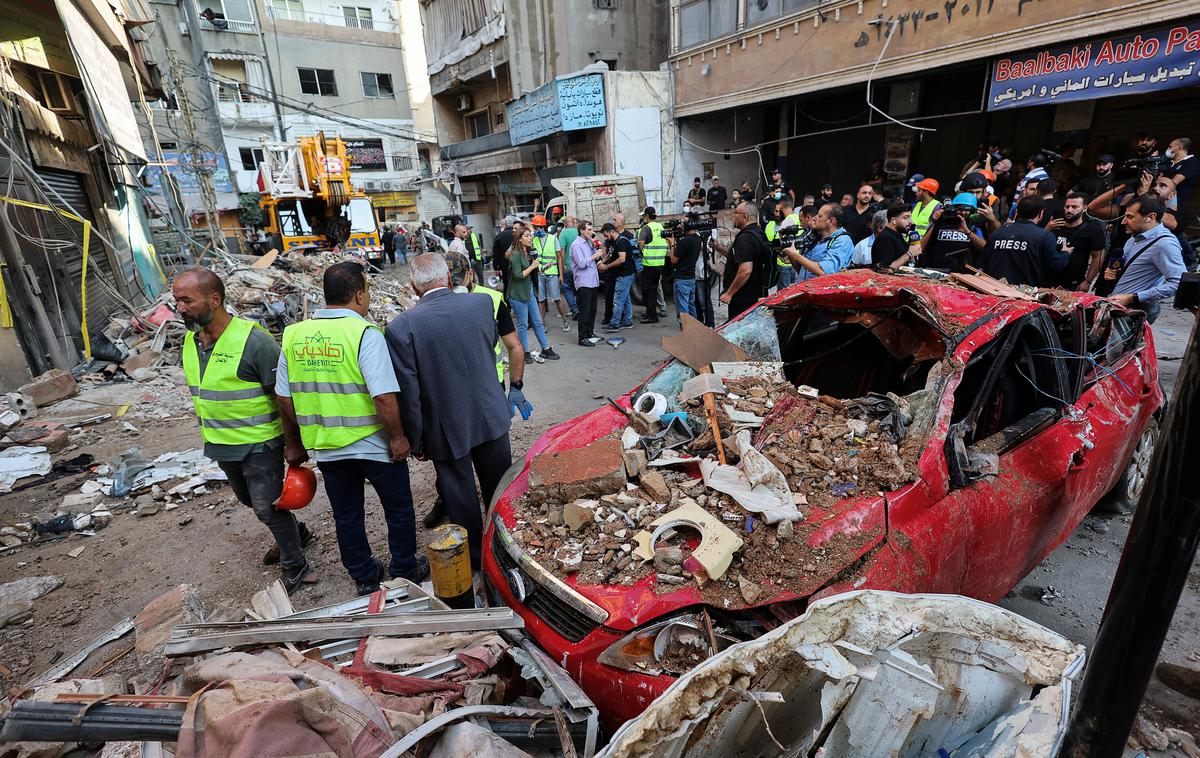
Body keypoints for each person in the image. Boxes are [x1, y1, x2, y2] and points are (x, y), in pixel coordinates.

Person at [276, 262, 425, 596]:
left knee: (346, 514)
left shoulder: (294, 335)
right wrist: (398, 437)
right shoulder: (364, 334)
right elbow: (384, 396)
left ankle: (364, 575)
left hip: (327, 446)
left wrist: (296, 439)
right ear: (359, 294)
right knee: (398, 508)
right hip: (373, 444)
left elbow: (283, 397)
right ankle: (404, 568)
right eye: (367, 291)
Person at [174, 268, 316, 595]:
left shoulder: (254, 342)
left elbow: (283, 396)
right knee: (249, 500)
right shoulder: (191, 342)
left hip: (261, 444)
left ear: (214, 299)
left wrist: (293, 444)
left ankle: (297, 567)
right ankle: (297, 535)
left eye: (186, 300)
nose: (180, 308)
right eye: (176, 301)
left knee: (268, 507)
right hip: (222, 444)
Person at [385, 254, 518, 571]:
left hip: (445, 426)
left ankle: (476, 560)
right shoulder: (482, 305)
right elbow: (487, 350)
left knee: (460, 498)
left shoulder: (402, 327)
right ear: (448, 277)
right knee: (499, 488)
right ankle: (507, 549)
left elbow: (410, 393)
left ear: (414, 287)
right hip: (490, 413)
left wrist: (416, 440)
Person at [1105, 195, 1184, 323]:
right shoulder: (1133, 239)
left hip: (1134, 312)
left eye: (1130, 217)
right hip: (1116, 307)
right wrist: (1115, 274)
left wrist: (1134, 297)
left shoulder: (1165, 244)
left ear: (1150, 217)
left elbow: (1178, 283)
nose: (1124, 221)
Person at [976, 197, 1066, 287]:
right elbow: (1055, 266)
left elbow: (983, 262)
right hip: (1026, 294)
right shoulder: (1045, 236)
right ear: (1041, 214)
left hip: (995, 290)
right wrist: (1065, 253)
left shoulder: (998, 233)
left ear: (1017, 212)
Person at [505, 226, 558, 362]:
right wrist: (533, 266)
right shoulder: (515, 255)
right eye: (527, 236)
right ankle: (525, 353)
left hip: (528, 291)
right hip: (517, 293)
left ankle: (546, 349)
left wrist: (543, 267)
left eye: (530, 235)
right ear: (519, 239)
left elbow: (531, 271)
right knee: (523, 324)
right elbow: (517, 275)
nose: (531, 238)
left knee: (537, 322)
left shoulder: (528, 253)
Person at [715, 200, 771, 320]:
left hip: (743, 299)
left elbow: (745, 270)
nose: (733, 216)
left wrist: (729, 294)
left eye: (736, 213)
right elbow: (740, 258)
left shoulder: (745, 238)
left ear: (744, 217)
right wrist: (718, 248)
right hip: (755, 293)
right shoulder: (758, 233)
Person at [781, 202, 854, 282]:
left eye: (820, 216)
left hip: (820, 293)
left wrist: (795, 255)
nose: (814, 218)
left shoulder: (843, 241)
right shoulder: (816, 238)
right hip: (803, 290)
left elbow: (824, 271)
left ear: (831, 221)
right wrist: (791, 255)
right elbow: (803, 270)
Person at [1049, 192, 1106, 291]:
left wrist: (1088, 281)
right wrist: (1047, 229)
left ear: (1084, 208)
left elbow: (1098, 256)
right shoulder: (1054, 225)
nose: (1069, 210)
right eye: (1067, 207)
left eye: (1074, 207)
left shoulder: (1092, 228)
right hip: (1048, 280)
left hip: (1074, 283)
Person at [920, 193, 986, 272]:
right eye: (960, 209)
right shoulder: (941, 223)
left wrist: (968, 232)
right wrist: (935, 222)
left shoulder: (974, 228)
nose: (962, 212)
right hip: (936, 270)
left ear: (973, 212)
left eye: (966, 210)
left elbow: (985, 248)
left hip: (962, 274)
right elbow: (921, 247)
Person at [530, 215, 569, 332]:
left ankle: (565, 321)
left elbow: (559, 257)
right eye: (535, 228)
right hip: (539, 274)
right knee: (541, 300)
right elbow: (533, 255)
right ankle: (542, 324)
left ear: (543, 227)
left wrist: (561, 275)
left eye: (538, 228)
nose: (536, 230)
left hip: (552, 274)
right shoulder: (534, 240)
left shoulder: (553, 239)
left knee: (556, 298)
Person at [569, 221, 604, 346]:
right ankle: (582, 337)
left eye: (591, 229)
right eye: (589, 229)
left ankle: (590, 332)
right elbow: (582, 263)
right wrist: (594, 256)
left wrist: (598, 255)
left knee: (592, 310)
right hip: (584, 282)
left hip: (592, 280)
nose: (591, 232)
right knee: (585, 310)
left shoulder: (589, 242)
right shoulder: (576, 245)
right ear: (582, 231)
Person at [600, 221, 636, 332]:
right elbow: (610, 255)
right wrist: (602, 262)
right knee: (625, 298)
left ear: (611, 232)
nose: (605, 238)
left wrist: (606, 267)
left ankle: (615, 323)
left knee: (618, 299)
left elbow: (621, 259)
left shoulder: (622, 242)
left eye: (606, 235)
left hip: (625, 274)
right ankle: (627, 321)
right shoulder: (615, 242)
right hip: (624, 274)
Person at [637, 206, 669, 324]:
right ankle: (651, 313)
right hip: (659, 263)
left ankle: (652, 316)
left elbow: (641, 243)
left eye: (643, 216)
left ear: (646, 216)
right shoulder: (660, 226)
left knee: (648, 291)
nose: (643, 218)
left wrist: (641, 251)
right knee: (653, 290)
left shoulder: (646, 228)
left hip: (648, 263)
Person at [670, 216, 701, 326]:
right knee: (691, 307)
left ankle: (686, 334)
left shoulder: (684, 241)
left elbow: (673, 260)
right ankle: (694, 331)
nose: (681, 226)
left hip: (681, 279)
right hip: (691, 278)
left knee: (683, 309)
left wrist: (672, 244)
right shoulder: (698, 239)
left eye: (683, 223)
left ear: (688, 226)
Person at [869, 202, 920, 269]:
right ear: (893, 220)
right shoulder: (886, 238)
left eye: (910, 217)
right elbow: (885, 269)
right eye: (906, 218)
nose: (911, 221)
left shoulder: (897, 235)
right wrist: (909, 254)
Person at [765, 197, 801, 291]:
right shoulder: (797, 218)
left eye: (779, 209)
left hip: (784, 262)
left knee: (783, 291)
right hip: (795, 260)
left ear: (782, 207)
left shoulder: (787, 221)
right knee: (793, 289)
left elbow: (779, 242)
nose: (778, 212)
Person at [557, 214, 580, 318]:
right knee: (579, 288)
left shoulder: (563, 233)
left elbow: (562, 251)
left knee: (567, 288)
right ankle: (580, 308)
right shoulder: (578, 231)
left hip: (568, 266)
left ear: (565, 223)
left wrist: (563, 265)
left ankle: (574, 309)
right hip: (579, 266)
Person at [1166, 137, 1197, 209]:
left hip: (1173, 203)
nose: (1168, 149)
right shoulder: (1168, 162)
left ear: (1180, 147)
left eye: (1170, 147)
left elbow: (1172, 183)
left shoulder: (1191, 161)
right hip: (1159, 202)